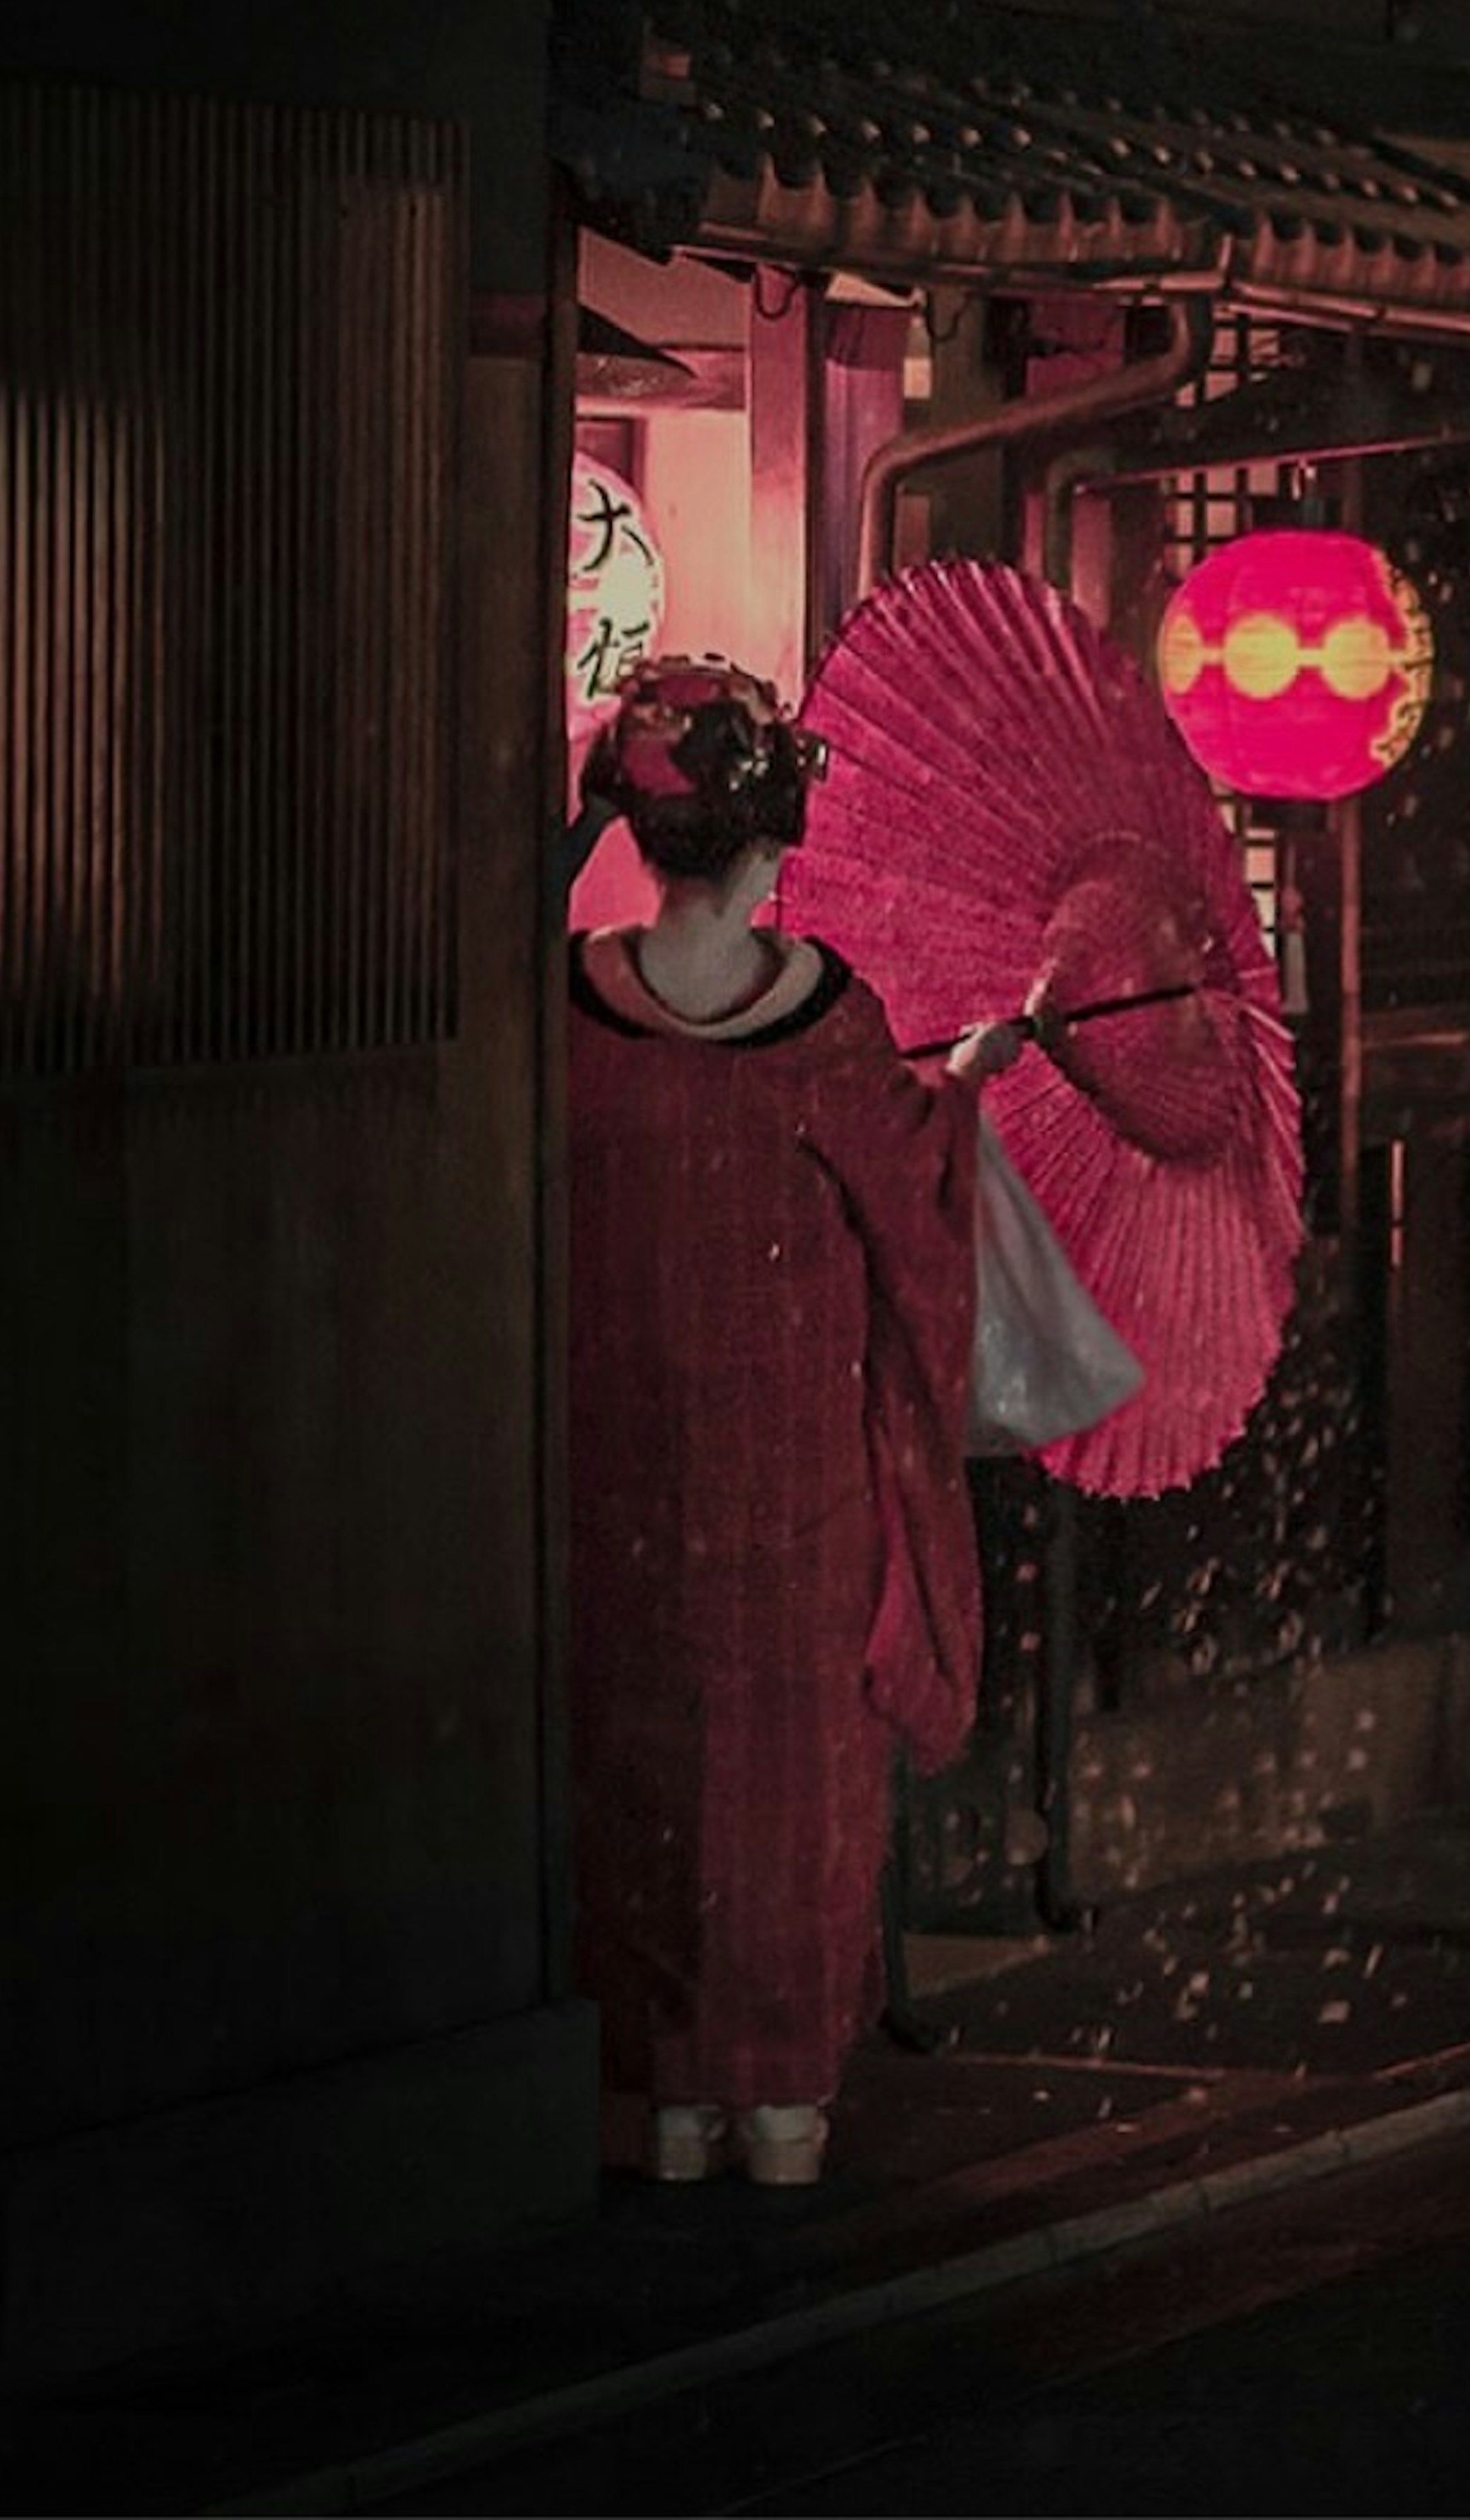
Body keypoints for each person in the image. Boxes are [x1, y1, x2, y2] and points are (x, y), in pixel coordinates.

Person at [564, 654, 1025, 2189]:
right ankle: (777, 2118)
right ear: (769, 843)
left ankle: (657, 2101)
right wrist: (957, 1089)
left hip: (602, 1491)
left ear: (633, 827)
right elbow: (921, 1243)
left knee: (631, 1791)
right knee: (786, 1808)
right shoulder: (829, 1023)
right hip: (793, 1506)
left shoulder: (561, 1014)